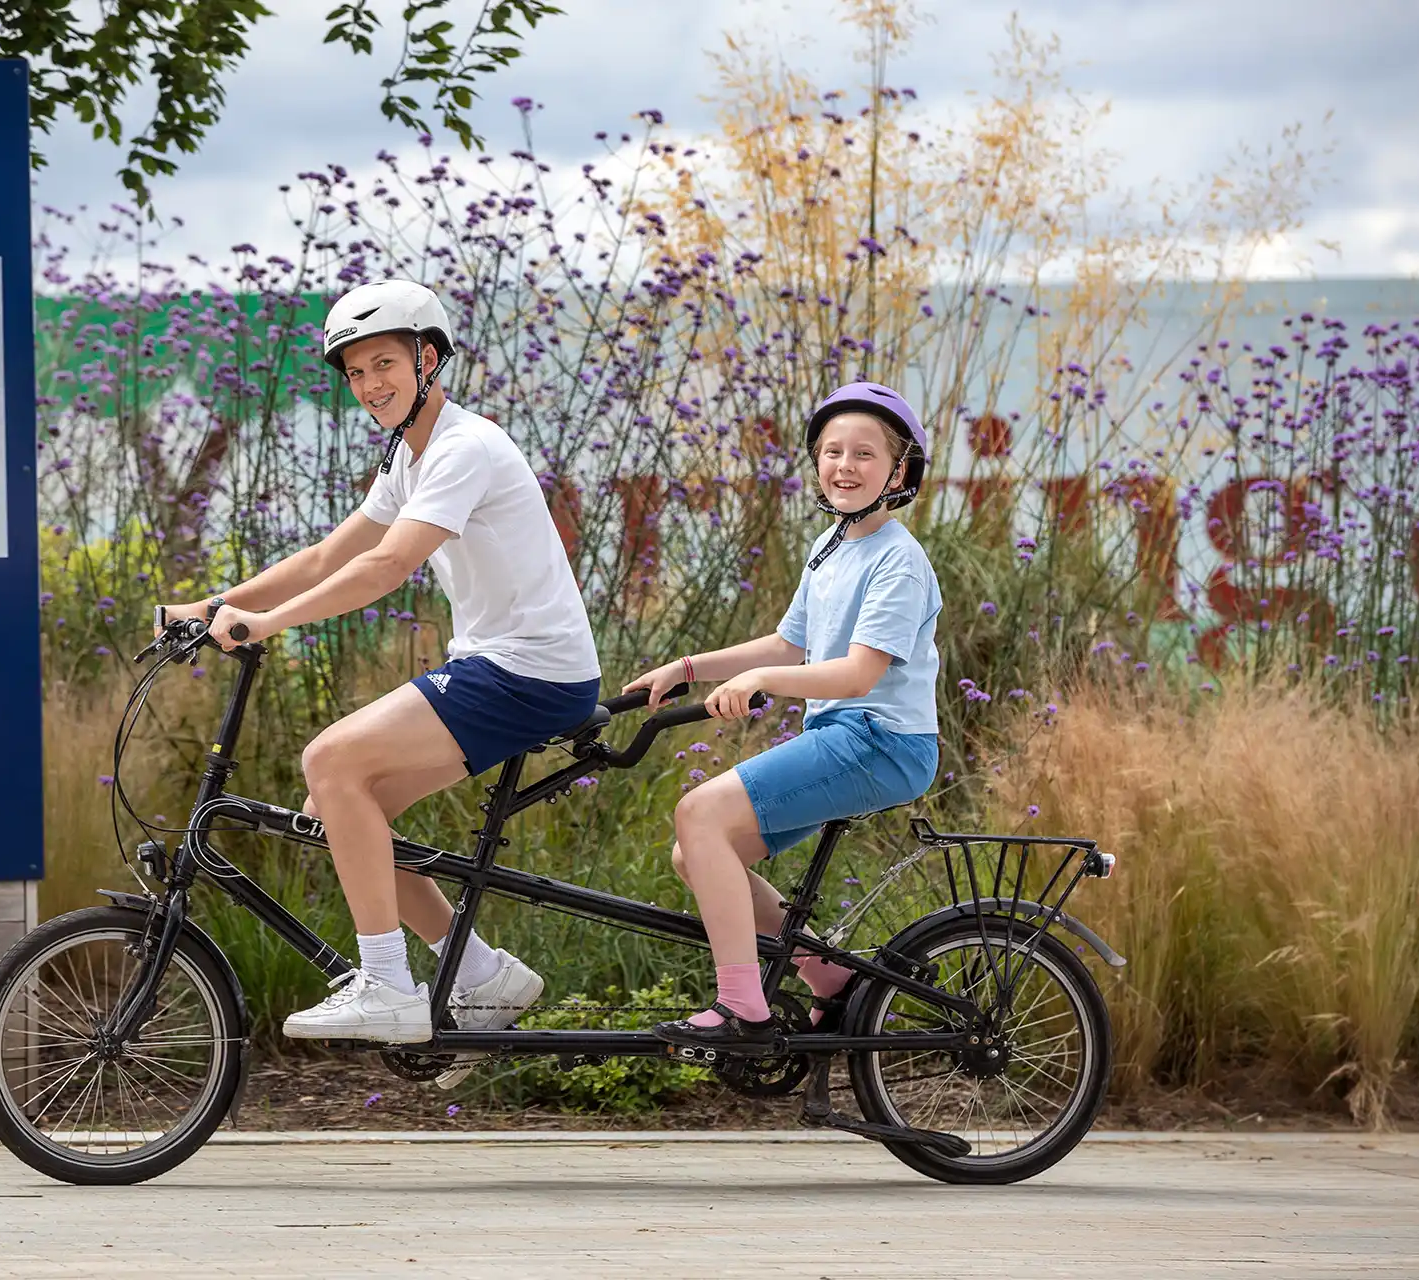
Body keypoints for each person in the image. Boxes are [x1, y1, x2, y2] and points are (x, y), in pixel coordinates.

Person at [158, 280, 602, 1052]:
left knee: (329, 758)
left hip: (531, 671)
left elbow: (391, 564)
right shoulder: (414, 454)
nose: (370, 386)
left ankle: (390, 986)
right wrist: (215, 603)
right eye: (356, 373)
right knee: (340, 804)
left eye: (385, 364)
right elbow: (335, 553)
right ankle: (482, 977)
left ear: (428, 360)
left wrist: (265, 623)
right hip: (506, 666)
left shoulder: (464, 447)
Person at [621, 382, 943, 1052]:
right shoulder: (832, 544)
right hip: (843, 736)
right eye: (832, 452)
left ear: (900, 471)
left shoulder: (897, 562)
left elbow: (858, 674)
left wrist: (764, 680)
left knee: (699, 813)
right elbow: (788, 644)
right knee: (700, 852)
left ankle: (744, 1007)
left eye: (864, 454)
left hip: (882, 742)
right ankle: (835, 983)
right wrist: (686, 668)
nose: (845, 466)